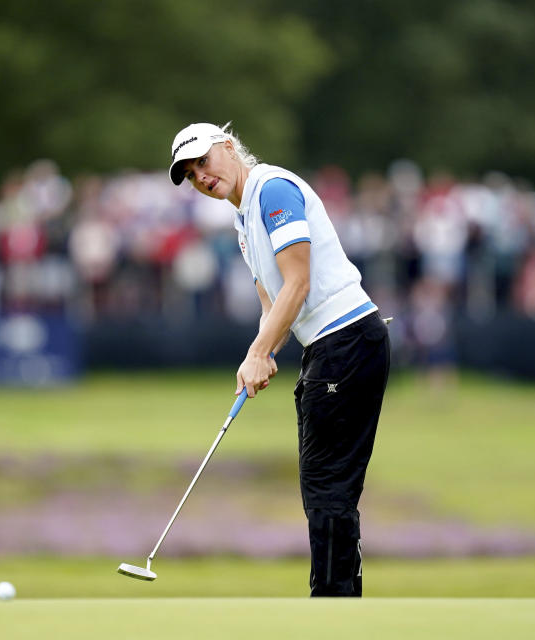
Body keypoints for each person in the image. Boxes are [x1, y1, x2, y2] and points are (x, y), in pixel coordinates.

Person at [168, 122, 391, 597]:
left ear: (228, 148)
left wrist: (257, 352)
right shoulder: (242, 219)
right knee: (325, 487)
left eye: (203, 162)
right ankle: (341, 601)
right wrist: (263, 352)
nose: (201, 177)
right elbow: (276, 308)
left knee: (328, 484)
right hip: (330, 347)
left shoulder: (272, 190)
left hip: (345, 338)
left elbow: (299, 283)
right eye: (190, 174)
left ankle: (332, 606)